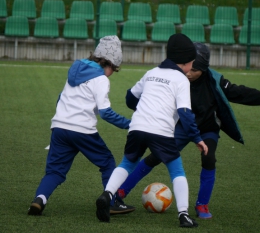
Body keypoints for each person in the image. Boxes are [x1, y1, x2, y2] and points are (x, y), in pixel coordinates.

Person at [117, 42, 260, 219]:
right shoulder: (176, 77)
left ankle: (202, 205)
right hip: (183, 128)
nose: (189, 73)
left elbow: (240, 93)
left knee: (209, 158)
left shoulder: (214, 80)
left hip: (207, 129)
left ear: (204, 68)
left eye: (195, 70)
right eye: (189, 69)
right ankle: (122, 191)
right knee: (155, 156)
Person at [95, 33, 208, 228]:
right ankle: (184, 215)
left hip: (137, 126)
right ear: (185, 62)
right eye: (191, 62)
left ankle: (107, 195)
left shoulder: (152, 72)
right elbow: (185, 114)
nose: (191, 67)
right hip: (161, 131)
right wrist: (197, 138)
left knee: (126, 164)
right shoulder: (182, 80)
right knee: (177, 170)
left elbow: (130, 97)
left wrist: (144, 108)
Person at [27, 35, 135, 216]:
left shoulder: (76, 68)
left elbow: (61, 98)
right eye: (113, 69)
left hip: (60, 127)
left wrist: (63, 119)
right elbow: (106, 113)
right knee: (107, 162)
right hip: (83, 131)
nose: (111, 74)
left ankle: (39, 199)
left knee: (55, 171)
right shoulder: (101, 79)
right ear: (110, 63)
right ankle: (113, 202)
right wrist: (130, 124)